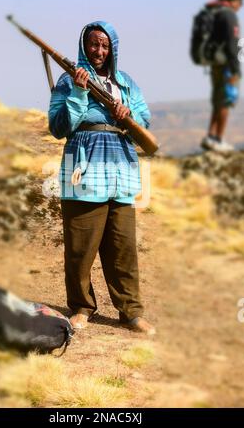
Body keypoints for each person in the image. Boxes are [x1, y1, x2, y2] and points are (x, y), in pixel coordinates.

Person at [48, 21, 155, 334]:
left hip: (121, 169)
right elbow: (59, 126)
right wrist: (80, 93)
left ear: (113, 50)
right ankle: (81, 308)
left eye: (105, 46)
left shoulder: (126, 83)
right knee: (80, 248)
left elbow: (144, 121)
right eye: (93, 44)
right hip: (83, 171)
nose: (98, 51)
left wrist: (128, 115)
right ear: (85, 45)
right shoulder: (69, 81)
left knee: (123, 248)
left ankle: (131, 312)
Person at [201, 0, 243, 153]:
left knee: (218, 102)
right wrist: (235, 70)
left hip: (215, 64)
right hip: (226, 65)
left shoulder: (215, 14)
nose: (241, 6)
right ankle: (218, 139)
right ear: (234, 0)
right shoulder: (229, 15)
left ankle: (211, 137)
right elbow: (232, 45)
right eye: (240, 2)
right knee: (225, 102)